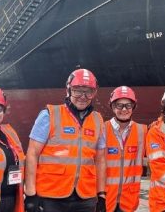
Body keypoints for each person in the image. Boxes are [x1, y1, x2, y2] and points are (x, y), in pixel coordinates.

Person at [24, 68, 106, 212]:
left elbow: (100, 160)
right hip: (51, 197)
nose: (83, 96)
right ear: (68, 90)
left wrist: (101, 194)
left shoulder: (98, 120)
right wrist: (30, 194)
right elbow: (32, 153)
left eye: (89, 91)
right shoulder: (49, 115)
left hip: (85, 197)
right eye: (77, 90)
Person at [102, 86, 147, 212]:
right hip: (104, 198)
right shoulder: (101, 129)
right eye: (119, 105)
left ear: (133, 107)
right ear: (112, 106)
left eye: (128, 105)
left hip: (129, 200)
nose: (124, 109)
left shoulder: (142, 131)